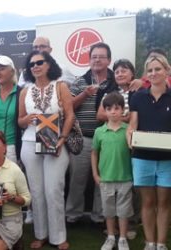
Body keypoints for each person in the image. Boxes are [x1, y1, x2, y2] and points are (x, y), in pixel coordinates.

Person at [18, 50, 74, 250]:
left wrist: (63, 138)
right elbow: (20, 120)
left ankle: (59, 237)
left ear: (49, 64)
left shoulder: (60, 87)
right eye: (31, 64)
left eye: (39, 62)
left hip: (54, 143)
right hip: (30, 143)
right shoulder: (25, 91)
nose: (35, 66)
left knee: (53, 190)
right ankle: (41, 234)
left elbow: (70, 115)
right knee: (37, 192)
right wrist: (28, 119)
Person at [66, 43, 118, 224]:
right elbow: (68, 106)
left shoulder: (115, 81)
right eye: (94, 56)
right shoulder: (80, 81)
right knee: (76, 179)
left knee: (103, 181)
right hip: (83, 139)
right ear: (89, 60)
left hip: (108, 139)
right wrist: (84, 95)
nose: (97, 60)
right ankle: (72, 215)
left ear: (109, 60)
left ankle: (100, 217)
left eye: (101, 56)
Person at [127, 55, 171, 250]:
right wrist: (130, 137)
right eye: (150, 70)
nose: (154, 73)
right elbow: (132, 126)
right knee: (147, 201)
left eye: (158, 69)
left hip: (167, 160)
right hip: (142, 157)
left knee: (163, 203)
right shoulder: (138, 97)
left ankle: (161, 244)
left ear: (167, 71)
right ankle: (149, 242)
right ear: (146, 74)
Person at [91, 92, 133, 250]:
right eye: (109, 108)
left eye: (117, 108)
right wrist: (95, 174)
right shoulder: (99, 132)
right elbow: (94, 153)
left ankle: (122, 238)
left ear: (123, 110)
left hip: (125, 177)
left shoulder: (128, 130)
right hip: (106, 178)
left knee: (123, 211)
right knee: (108, 210)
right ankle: (110, 236)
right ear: (105, 110)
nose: (113, 111)